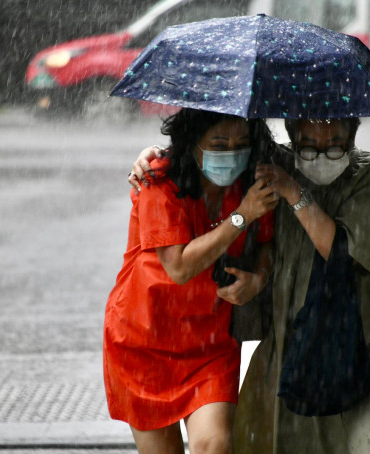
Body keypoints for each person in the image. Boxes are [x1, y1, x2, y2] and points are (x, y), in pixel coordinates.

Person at [129, 117, 370, 454]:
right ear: (292, 137)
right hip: (295, 360)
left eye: (336, 145)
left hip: (368, 357)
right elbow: (210, 151)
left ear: (353, 137)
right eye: (308, 146)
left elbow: (344, 255)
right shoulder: (274, 165)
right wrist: (156, 157)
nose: (321, 156)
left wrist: (294, 192)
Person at [104, 108, 278, 454]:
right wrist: (242, 215)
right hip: (143, 341)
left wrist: (258, 277)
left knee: (215, 445)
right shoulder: (159, 180)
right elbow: (180, 267)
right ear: (192, 143)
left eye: (241, 143)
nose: (231, 153)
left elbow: (266, 244)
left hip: (209, 343)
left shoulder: (255, 182)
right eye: (218, 143)